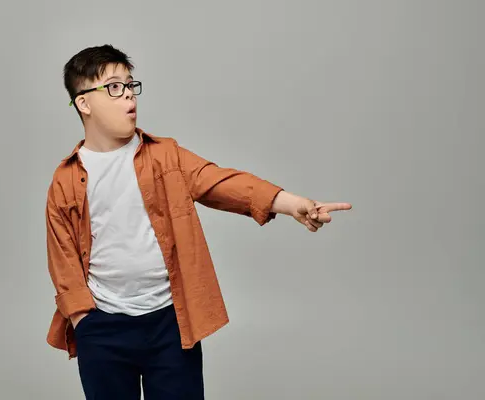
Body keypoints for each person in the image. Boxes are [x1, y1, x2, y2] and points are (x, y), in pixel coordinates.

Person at [45, 44, 352, 399]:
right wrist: (85, 322)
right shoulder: (65, 180)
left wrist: (292, 203)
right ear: (84, 103)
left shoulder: (166, 156)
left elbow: (222, 182)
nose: (129, 94)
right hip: (103, 327)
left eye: (131, 84)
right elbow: (63, 260)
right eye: (114, 87)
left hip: (171, 324)